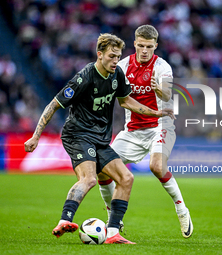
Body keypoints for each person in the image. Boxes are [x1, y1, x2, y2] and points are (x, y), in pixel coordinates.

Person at [24, 33, 175, 244]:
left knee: (126, 178)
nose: (115, 61)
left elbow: (127, 101)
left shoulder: (117, 75)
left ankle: (112, 232)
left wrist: (156, 113)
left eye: (118, 56)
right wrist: (35, 136)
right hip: (77, 135)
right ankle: (64, 220)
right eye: (111, 56)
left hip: (101, 139)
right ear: (100, 54)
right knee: (89, 179)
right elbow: (54, 104)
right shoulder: (84, 77)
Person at [97, 25, 193, 238]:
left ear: (155, 46)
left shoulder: (162, 67)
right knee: (102, 168)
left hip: (160, 126)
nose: (144, 50)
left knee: (156, 166)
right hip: (132, 131)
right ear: (135, 44)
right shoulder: (121, 65)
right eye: (140, 46)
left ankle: (181, 209)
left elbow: (167, 92)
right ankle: (113, 216)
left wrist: (160, 90)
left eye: (149, 46)